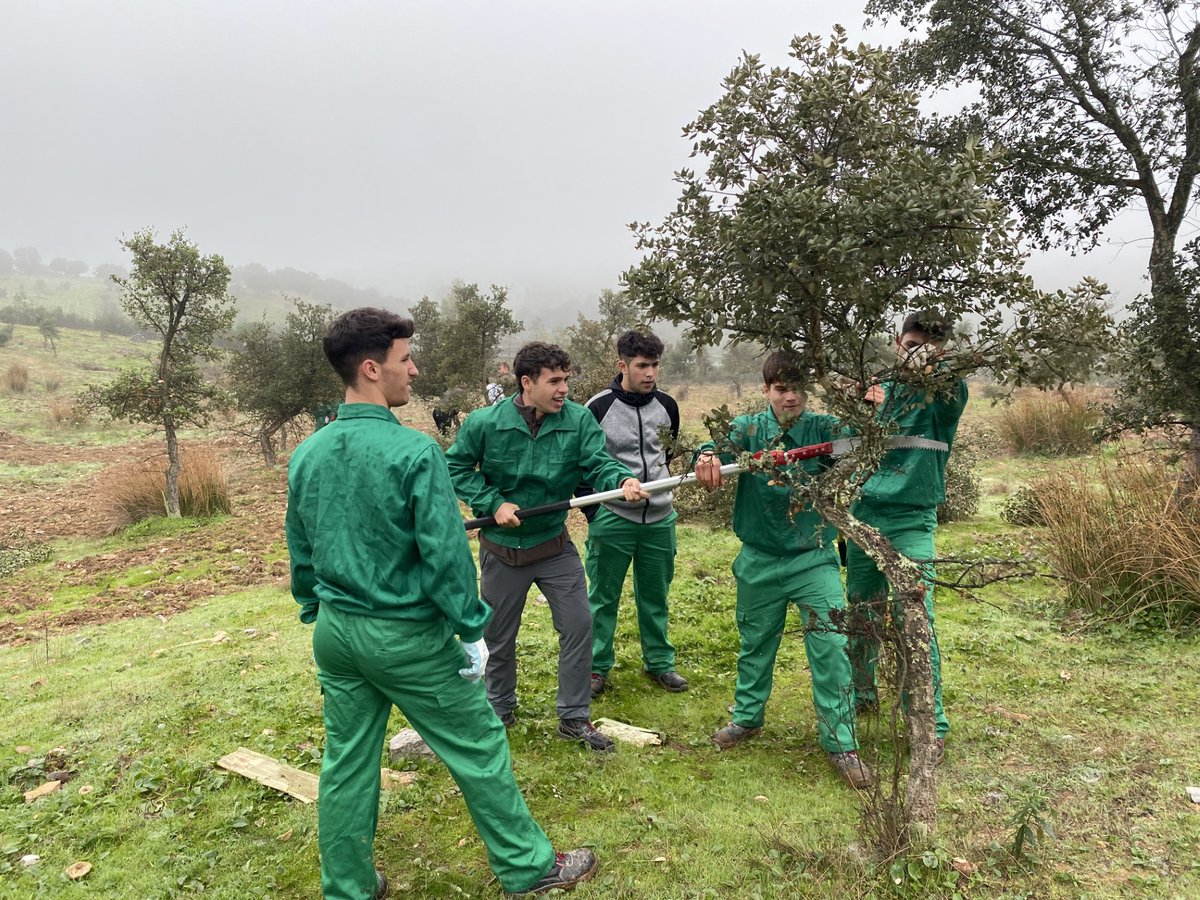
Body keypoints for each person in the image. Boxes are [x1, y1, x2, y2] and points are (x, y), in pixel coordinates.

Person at [286, 309, 597, 898]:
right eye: (406, 359)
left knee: (346, 761)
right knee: (478, 742)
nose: (415, 369)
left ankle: (348, 885)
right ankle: (529, 867)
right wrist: (472, 628)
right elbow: (447, 555)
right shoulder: (415, 452)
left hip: (336, 633)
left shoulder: (309, 453)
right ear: (373, 369)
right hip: (403, 635)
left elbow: (300, 548)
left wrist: (314, 607)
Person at [446, 341, 648, 752]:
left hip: (554, 546)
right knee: (498, 637)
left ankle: (574, 717)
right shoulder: (485, 424)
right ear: (526, 383)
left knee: (579, 626)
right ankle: (499, 708)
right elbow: (456, 467)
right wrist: (492, 502)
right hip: (502, 549)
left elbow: (598, 463)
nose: (563, 390)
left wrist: (621, 480)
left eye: (566, 381)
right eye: (554, 381)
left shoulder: (577, 422)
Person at [694, 351, 873, 790]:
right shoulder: (747, 428)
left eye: (797, 388)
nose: (790, 397)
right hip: (758, 557)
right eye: (780, 389)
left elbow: (866, 439)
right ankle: (747, 719)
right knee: (755, 642)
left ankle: (842, 743)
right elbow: (714, 443)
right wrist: (706, 456)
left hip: (813, 557)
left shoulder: (826, 429)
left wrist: (867, 408)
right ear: (766, 391)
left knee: (831, 646)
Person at [845, 311, 968, 765]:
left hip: (914, 519)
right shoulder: (878, 386)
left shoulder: (945, 394)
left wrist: (938, 372)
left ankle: (930, 723)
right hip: (864, 514)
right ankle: (861, 693)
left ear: (942, 351)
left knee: (917, 613)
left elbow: (952, 396)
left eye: (931, 347)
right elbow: (850, 439)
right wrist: (862, 403)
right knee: (862, 609)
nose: (920, 352)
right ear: (899, 341)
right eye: (914, 343)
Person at [582, 330, 686, 697]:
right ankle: (595, 668)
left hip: (660, 519)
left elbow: (666, 456)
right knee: (603, 597)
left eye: (655, 365)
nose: (650, 374)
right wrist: (596, 514)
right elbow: (583, 463)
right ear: (622, 365)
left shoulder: (669, 406)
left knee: (656, 595)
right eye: (642, 366)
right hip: (613, 518)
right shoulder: (597, 407)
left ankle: (659, 663)